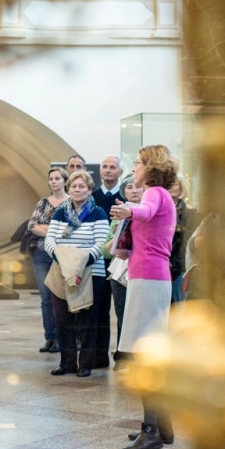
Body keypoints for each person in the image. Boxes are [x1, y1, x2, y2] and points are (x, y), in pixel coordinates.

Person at [110, 145, 178, 449]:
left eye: (138, 163)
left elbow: (145, 211)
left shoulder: (153, 192)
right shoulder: (161, 194)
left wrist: (129, 210)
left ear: (150, 167)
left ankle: (150, 431)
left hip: (148, 279)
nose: (134, 168)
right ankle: (162, 426)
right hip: (153, 277)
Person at [44, 170, 109, 378]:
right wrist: (63, 259)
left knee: (87, 320)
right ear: (69, 188)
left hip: (90, 271)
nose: (77, 189)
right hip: (61, 271)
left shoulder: (98, 213)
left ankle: (85, 364)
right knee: (62, 319)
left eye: (82, 186)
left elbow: (101, 243)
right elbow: (49, 240)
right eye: (74, 186)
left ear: (89, 190)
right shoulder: (60, 213)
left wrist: (80, 263)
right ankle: (67, 363)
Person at [100, 173, 143, 369]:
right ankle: (123, 357)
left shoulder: (149, 214)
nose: (134, 190)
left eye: (137, 187)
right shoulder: (118, 215)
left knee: (140, 317)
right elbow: (105, 251)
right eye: (129, 187)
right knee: (122, 316)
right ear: (124, 192)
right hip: (119, 274)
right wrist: (117, 236)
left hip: (142, 271)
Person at [27, 166, 69, 354]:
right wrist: (55, 230)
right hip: (41, 254)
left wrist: (45, 228)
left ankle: (61, 337)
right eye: (51, 179)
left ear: (64, 181)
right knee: (45, 297)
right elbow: (32, 225)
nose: (54, 181)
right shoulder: (43, 202)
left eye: (57, 178)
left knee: (60, 296)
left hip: (61, 255)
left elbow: (70, 228)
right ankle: (49, 337)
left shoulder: (71, 202)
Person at [90, 155, 123, 369]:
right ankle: (99, 356)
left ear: (120, 172)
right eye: (105, 167)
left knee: (122, 310)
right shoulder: (93, 197)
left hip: (121, 260)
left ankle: (122, 355)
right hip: (99, 260)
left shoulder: (125, 196)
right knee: (100, 309)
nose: (108, 170)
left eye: (112, 167)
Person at [168, 174, 196, 304]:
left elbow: (186, 244)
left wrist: (173, 267)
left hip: (180, 269)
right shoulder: (158, 210)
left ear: (181, 187)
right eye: (168, 183)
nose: (171, 187)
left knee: (179, 309)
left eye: (174, 183)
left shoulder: (190, 213)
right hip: (161, 267)